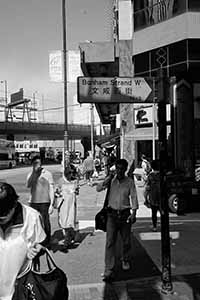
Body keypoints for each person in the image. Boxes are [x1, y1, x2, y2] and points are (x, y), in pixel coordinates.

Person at [0, 182, 46, 300]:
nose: (1, 219)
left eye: (4, 215)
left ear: (14, 205)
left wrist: (37, 249)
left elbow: (40, 243)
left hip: (20, 291)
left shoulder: (32, 217)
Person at [96, 159, 139, 282]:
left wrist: (134, 213)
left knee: (126, 241)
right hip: (112, 215)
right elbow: (98, 189)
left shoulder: (129, 182)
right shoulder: (111, 181)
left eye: (121, 168)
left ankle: (125, 258)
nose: (119, 171)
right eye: (117, 168)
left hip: (125, 214)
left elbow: (134, 197)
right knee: (110, 242)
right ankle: (108, 268)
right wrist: (106, 180)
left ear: (125, 169)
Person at [27, 155, 54, 246]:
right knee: (34, 222)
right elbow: (28, 185)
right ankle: (37, 240)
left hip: (44, 202)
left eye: (38, 163)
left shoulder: (47, 174)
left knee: (45, 221)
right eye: (35, 163)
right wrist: (35, 174)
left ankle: (47, 241)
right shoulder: (30, 174)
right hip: (33, 202)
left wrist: (52, 204)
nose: (37, 165)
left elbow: (51, 188)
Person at [55, 164, 79, 247]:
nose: (72, 176)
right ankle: (69, 236)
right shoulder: (60, 181)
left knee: (70, 221)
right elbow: (56, 191)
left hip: (71, 204)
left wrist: (75, 191)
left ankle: (67, 239)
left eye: (73, 174)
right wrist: (58, 193)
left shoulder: (75, 181)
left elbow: (77, 192)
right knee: (63, 221)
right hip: (63, 204)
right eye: (70, 174)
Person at [146, 159, 161, 231]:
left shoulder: (150, 176)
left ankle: (154, 226)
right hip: (161, 196)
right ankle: (164, 225)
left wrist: (146, 197)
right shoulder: (162, 175)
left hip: (153, 196)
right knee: (162, 211)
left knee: (154, 212)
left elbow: (147, 187)